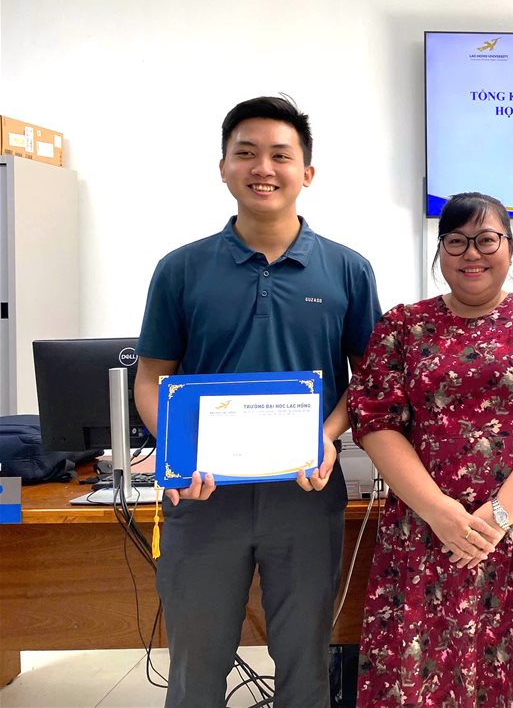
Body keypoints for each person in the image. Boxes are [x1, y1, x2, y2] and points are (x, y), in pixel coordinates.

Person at [133, 95, 381, 707]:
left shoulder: (347, 270)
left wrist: (326, 435)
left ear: (307, 172)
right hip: (204, 495)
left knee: (305, 659)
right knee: (196, 664)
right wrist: (177, 452)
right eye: (245, 153)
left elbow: (369, 379)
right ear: (223, 167)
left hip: (305, 491)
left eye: (280, 155)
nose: (263, 168)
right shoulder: (180, 269)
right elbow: (151, 377)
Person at [347, 192, 513, 707]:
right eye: (456, 241)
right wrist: (440, 513)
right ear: (440, 250)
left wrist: (496, 518)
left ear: (510, 246)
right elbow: (375, 422)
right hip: (423, 527)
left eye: (486, 240)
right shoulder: (402, 325)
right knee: (423, 675)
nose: (471, 253)